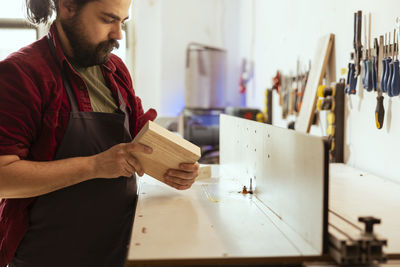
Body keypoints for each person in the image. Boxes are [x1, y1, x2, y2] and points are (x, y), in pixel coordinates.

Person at [0, 0, 199, 266]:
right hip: (48, 255)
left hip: (118, 250)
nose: (118, 34)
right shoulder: (21, 74)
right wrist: (95, 165)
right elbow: (3, 177)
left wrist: (177, 165)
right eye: (108, 20)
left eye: (123, 22)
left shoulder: (115, 70)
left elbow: (140, 132)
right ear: (68, 6)